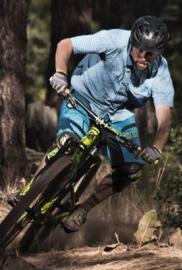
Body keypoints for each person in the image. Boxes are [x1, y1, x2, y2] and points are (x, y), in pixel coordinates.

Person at [49, 16, 174, 232]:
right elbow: (65, 44)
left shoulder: (161, 71)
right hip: (81, 96)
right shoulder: (113, 39)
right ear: (132, 43)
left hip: (117, 113)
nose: (144, 56)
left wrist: (157, 148)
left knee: (132, 168)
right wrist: (61, 74)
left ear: (159, 53)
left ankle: (82, 210)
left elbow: (164, 119)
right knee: (66, 142)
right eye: (139, 50)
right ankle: (31, 190)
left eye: (150, 53)